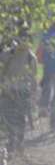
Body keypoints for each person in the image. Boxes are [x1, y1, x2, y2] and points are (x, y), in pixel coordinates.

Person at [0, 20, 37, 153]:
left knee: (21, 118)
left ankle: (19, 142)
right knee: (9, 117)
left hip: (22, 91)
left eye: (26, 39)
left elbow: (33, 76)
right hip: (8, 90)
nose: (24, 41)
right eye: (22, 38)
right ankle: (12, 142)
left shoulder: (31, 57)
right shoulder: (9, 54)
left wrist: (33, 94)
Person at [36, 14, 55, 117]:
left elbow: (41, 47)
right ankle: (45, 107)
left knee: (47, 83)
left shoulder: (47, 33)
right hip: (53, 63)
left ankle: (43, 105)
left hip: (48, 63)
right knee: (50, 84)